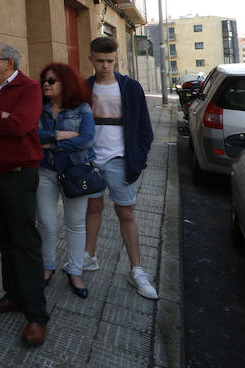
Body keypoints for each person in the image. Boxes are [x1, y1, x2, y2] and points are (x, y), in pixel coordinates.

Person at [0, 42, 48, 346]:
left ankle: (36, 315)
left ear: (10, 63)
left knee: (24, 242)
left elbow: (20, 126)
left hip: (19, 175)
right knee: (2, 239)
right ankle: (14, 296)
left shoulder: (29, 88)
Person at [83, 36, 158, 299]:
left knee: (126, 213)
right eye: (100, 60)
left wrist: (138, 159)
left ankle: (137, 269)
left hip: (120, 160)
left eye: (110, 61)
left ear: (116, 59)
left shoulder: (131, 87)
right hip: (92, 160)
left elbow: (145, 130)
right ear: (90, 59)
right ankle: (89, 256)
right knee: (92, 208)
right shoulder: (84, 88)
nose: (105, 65)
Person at [35, 63, 95, 299]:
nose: (46, 85)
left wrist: (49, 144)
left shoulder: (82, 108)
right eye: (44, 81)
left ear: (65, 83)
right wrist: (58, 135)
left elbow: (87, 140)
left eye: (51, 81)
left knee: (76, 223)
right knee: (47, 223)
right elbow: (31, 135)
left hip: (75, 171)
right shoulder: (40, 107)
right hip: (45, 172)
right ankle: (47, 266)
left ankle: (75, 270)